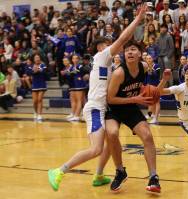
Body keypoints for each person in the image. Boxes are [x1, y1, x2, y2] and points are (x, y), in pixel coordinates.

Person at [47, 4, 148, 191]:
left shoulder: (107, 64)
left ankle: (99, 175)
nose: (114, 46)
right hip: (95, 108)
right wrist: (137, 19)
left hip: (103, 107)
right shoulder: (102, 56)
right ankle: (59, 170)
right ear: (101, 46)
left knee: (112, 140)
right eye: (110, 43)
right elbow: (124, 37)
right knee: (96, 149)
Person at [106, 40, 161, 193]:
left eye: (133, 49)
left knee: (148, 136)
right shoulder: (119, 73)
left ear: (140, 54)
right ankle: (120, 171)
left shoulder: (144, 66)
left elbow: (144, 89)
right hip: (113, 108)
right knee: (112, 133)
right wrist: (135, 99)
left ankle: (153, 177)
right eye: (127, 50)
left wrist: (146, 95)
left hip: (130, 107)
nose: (129, 52)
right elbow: (109, 99)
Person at [27, 54, 47, 122]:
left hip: (42, 84)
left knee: (39, 99)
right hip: (35, 84)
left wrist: (37, 70)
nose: (37, 58)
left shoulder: (43, 65)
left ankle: (39, 114)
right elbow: (29, 72)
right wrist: (34, 71)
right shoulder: (31, 65)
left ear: (40, 58)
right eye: (36, 57)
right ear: (34, 59)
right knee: (35, 101)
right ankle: (35, 112)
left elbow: (44, 72)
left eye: (38, 57)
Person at [145, 54, 161, 124]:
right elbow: (146, 77)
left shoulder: (156, 66)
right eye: (147, 58)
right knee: (150, 101)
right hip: (149, 86)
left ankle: (155, 118)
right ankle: (150, 114)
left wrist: (151, 70)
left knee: (157, 102)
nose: (148, 60)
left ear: (152, 59)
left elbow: (157, 76)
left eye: (150, 58)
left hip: (156, 86)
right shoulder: (145, 67)